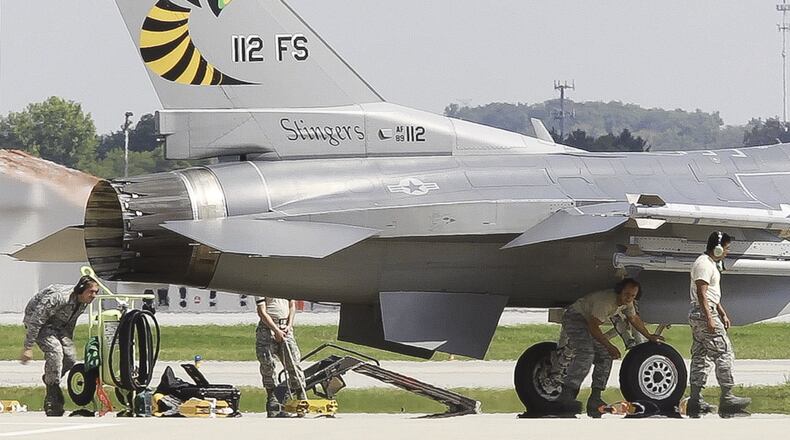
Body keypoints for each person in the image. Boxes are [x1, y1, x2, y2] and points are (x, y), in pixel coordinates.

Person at [547, 278, 663, 417]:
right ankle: (567, 396)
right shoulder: (606, 302)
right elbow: (593, 326)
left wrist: (649, 336)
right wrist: (609, 345)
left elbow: (633, 319)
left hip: (588, 322)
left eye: (633, 295)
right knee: (586, 353)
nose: (629, 298)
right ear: (619, 291)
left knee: (605, 356)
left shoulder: (627, 302)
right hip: (575, 318)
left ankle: (595, 399)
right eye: (627, 294)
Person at [687, 231, 751, 417]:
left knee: (700, 355)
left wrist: (722, 313)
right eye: (726, 248)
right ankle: (727, 397)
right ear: (717, 248)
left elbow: (711, 295)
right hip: (704, 313)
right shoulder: (704, 264)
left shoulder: (708, 264)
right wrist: (709, 317)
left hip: (702, 312)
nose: (727, 252)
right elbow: (702, 293)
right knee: (723, 352)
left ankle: (695, 400)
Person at [20, 276, 99, 416]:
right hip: (40, 324)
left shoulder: (83, 302)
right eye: (91, 292)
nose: (94, 295)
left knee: (70, 358)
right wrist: (28, 347)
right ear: (81, 290)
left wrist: (68, 342)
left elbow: (70, 323)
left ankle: (50, 378)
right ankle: (53, 396)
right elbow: (37, 319)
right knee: (55, 352)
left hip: (58, 326)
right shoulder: (59, 297)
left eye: (96, 292)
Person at [255, 296, 306, 417]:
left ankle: (301, 399)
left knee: (293, 364)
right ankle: (273, 402)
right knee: (268, 365)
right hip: (267, 329)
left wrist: (289, 325)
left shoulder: (285, 288)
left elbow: (292, 306)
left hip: (285, 327)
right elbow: (262, 311)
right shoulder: (261, 290)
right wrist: (276, 330)